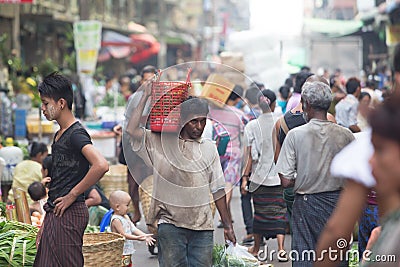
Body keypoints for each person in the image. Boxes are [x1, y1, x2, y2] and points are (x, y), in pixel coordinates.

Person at [126, 86, 236, 266]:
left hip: (203, 227)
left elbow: (218, 189)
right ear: (182, 120)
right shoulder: (160, 142)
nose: (199, 127)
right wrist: (145, 96)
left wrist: (228, 225)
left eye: (203, 121)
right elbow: (132, 130)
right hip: (169, 225)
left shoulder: (208, 148)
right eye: (194, 121)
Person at [276, 80, 355, 267]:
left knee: (305, 255)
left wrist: (304, 177)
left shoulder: (296, 135)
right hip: (339, 204)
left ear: (306, 104)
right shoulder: (345, 135)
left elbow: (285, 181)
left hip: (306, 204)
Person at [34, 72, 109, 267]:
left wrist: (72, 195)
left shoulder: (76, 134)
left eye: (45, 103)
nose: (43, 108)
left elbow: (101, 165)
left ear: (61, 103)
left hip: (69, 212)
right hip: (56, 211)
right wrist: (46, 222)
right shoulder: (60, 134)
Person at [242, 89, 288, 261]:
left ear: (259, 105)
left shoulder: (251, 126)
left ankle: (255, 248)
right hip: (279, 176)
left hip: (258, 178)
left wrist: (245, 178)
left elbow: (249, 156)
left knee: (259, 214)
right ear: (275, 104)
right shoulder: (281, 123)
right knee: (279, 212)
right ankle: (281, 249)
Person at [209, 85, 247, 228]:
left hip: (217, 150)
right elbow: (245, 132)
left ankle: (227, 217)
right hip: (233, 153)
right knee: (228, 184)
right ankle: (223, 218)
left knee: (219, 184)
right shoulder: (239, 114)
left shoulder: (211, 112)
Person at [109, 190, 155, 267]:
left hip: (127, 250)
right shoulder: (116, 220)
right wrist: (137, 238)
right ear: (117, 207)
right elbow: (123, 235)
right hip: (120, 251)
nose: (129, 208)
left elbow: (133, 229)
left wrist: (144, 235)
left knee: (128, 264)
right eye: (127, 205)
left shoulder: (125, 216)